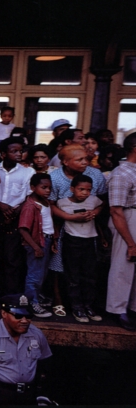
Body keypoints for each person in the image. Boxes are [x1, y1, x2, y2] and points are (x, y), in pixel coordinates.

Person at [0, 137, 35, 297]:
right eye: (13, 151)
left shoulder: (28, 172)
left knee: (12, 256)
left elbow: (30, 196)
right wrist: (0, 205)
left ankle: (11, 291)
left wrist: (14, 212)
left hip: (17, 216)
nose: (18, 154)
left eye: (20, 151)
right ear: (2, 154)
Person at [56, 174, 103, 323]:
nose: (85, 193)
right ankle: (77, 307)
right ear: (72, 189)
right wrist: (70, 217)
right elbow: (52, 209)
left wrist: (94, 212)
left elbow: (102, 205)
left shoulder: (94, 200)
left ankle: (88, 305)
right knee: (73, 275)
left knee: (89, 276)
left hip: (90, 241)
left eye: (88, 190)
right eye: (81, 189)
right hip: (72, 241)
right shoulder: (63, 203)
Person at [105, 132, 136, 331]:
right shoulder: (121, 174)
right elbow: (116, 210)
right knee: (123, 264)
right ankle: (117, 309)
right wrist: (131, 242)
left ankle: (132, 306)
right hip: (128, 218)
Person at [18, 173, 55, 318]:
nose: (47, 190)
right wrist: (35, 247)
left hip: (46, 240)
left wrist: (54, 240)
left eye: (49, 188)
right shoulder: (30, 206)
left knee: (42, 274)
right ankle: (32, 303)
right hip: (37, 243)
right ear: (33, 187)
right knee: (35, 275)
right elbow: (22, 228)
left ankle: (36, 297)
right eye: (43, 187)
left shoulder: (46, 203)